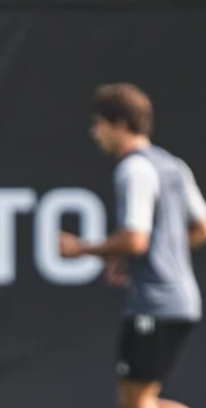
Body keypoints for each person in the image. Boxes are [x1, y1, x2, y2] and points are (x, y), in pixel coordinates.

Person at [60, 83, 206, 408]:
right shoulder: (172, 165)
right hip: (179, 302)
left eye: (99, 124)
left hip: (155, 304)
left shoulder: (133, 169)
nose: (95, 134)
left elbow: (135, 239)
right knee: (139, 403)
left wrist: (81, 249)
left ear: (120, 125)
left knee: (137, 404)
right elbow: (201, 227)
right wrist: (162, 257)